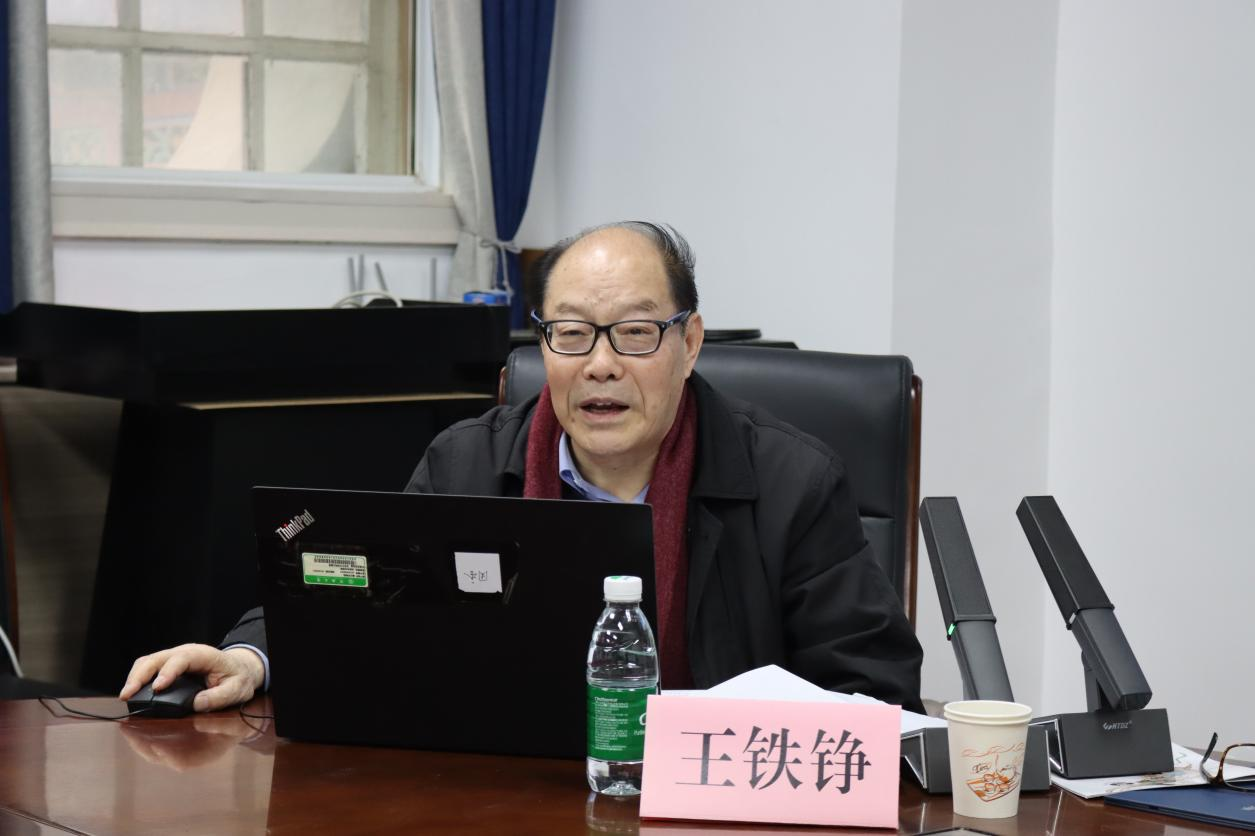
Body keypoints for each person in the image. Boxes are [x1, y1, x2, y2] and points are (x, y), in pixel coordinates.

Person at [120, 221, 924, 713]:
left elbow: (873, 689)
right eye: (570, 334)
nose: (599, 364)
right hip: (503, 794)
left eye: (634, 333)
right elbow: (360, 599)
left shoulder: (790, 482)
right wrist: (250, 658)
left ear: (689, 343)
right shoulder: (467, 461)